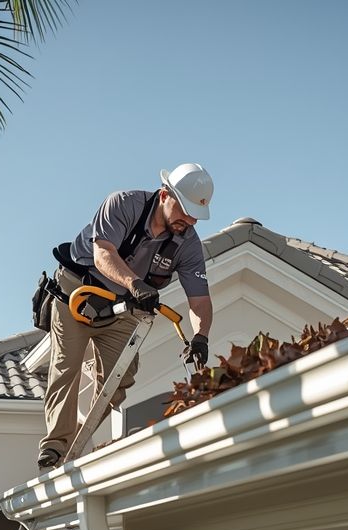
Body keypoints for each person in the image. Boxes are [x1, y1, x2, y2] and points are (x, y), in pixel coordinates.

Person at [37, 163, 215, 471]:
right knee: (67, 367)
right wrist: (135, 283)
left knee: (120, 377)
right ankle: (55, 447)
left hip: (122, 307)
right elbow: (103, 252)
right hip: (77, 293)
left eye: (194, 216)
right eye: (184, 210)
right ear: (164, 195)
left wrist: (201, 336)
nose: (187, 221)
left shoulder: (188, 244)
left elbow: (199, 299)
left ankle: (76, 448)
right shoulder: (124, 204)